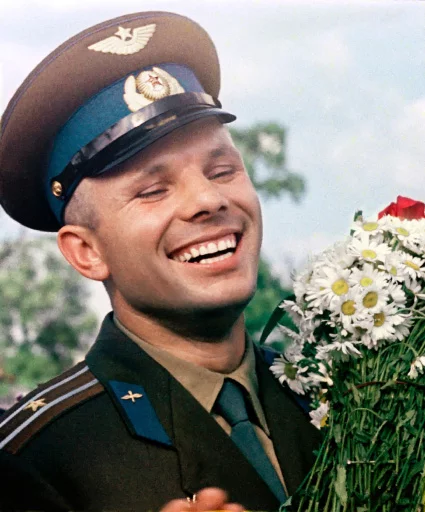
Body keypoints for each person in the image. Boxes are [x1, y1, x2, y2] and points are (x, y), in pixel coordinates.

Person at [0, 11, 321, 511]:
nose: (208, 200)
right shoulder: (35, 460)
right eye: (153, 190)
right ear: (87, 251)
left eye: (222, 169)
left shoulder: (340, 394)